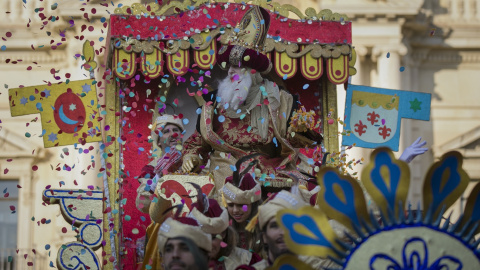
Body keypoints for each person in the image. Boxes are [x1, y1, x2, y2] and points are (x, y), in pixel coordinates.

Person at [181, 6, 322, 191]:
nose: (230, 71)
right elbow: (197, 143)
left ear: (253, 72)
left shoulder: (281, 100)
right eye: (229, 66)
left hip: (268, 177)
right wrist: (190, 156)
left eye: (237, 66)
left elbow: (294, 141)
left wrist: (301, 131)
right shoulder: (213, 102)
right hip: (223, 175)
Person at [137, 114, 184, 270]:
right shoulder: (150, 169)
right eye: (166, 131)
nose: (172, 134)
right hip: (162, 229)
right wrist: (159, 175)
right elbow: (143, 204)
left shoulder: (194, 162)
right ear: (158, 140)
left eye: (176, 130)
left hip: (193, 229)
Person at [188, 195, 262, 269]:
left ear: (223, 234)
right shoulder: (182, 262)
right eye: (200, 238)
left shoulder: (247, 260)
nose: (206, 245)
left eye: (213, 238)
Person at [220, 171, 263, 254]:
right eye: (231, 205)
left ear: (253, 205)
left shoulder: (264, 229)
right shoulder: (223, 230)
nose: (235, 210)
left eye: (241, 205)